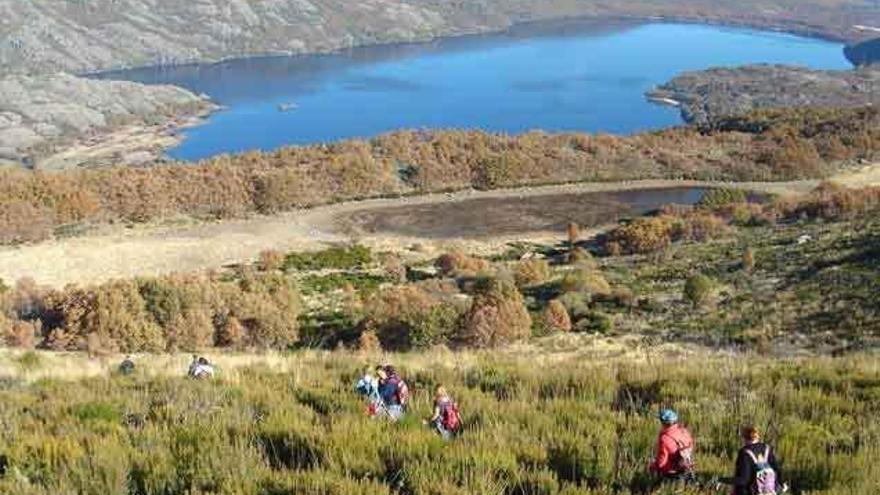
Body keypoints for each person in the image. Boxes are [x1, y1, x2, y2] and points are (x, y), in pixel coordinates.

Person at [722, 425, 787, 495]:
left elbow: (743, 480)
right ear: (757, 436)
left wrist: (722, 480)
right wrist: (782, 483)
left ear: (745, 437)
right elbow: (777, 469)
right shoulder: (767, 448)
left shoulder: (744, 453)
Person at [649, 409, 696, 484]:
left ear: (663, 423)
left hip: (672, 474)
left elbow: (661, 463)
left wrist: (652, 466)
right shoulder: (684, 431)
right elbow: (691, 445)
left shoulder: (664, 439)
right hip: (687, 468)